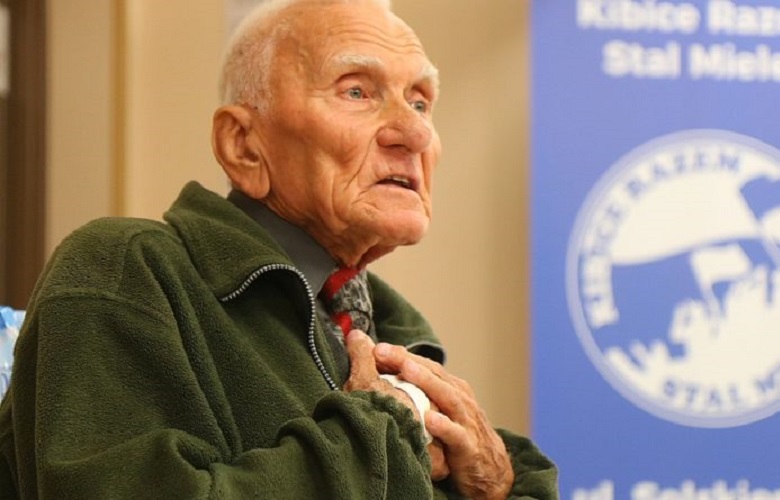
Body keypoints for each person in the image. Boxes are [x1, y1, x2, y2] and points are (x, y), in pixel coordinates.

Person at [0, 0, 558, 498]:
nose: (413, 133)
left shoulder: (394, 326)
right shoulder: (124, 269)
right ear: (243, 145)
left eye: (420, 102)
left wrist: (497, 485)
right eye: (357, 91)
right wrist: (385, 429)